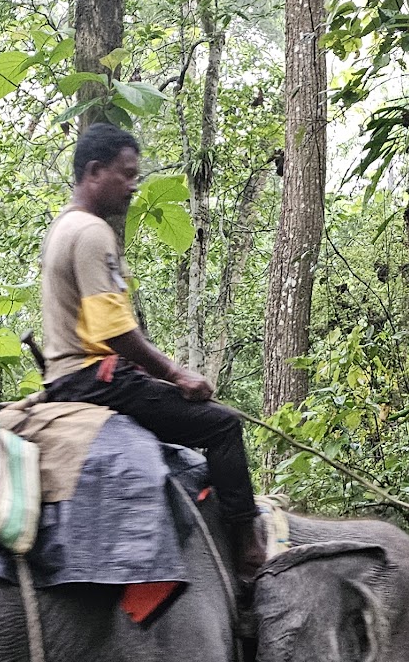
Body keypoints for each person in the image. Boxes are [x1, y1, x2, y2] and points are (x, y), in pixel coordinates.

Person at [39, 122, 265, 591]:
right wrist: (176, 374)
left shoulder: (62, 226)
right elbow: (114, 331)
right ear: (94, 171)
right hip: (94, 379)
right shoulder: (92, 233)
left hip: (67, 377)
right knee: (222, 426)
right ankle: (248, 550)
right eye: (126, 174)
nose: (134, 185)